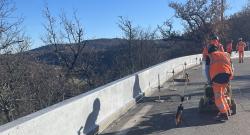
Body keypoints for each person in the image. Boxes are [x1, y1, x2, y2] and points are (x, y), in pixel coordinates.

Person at [206, 44, 233, 121]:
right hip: (227, 76)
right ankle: (227, 110)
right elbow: (231, 66)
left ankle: (223, 114)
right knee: (222, 95)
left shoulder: (210, 56)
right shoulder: (225, 54)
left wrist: (209, 81)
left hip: (217, 77)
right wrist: (230, 77)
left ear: (209, 51)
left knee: (218, 97)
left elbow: (207, 71)